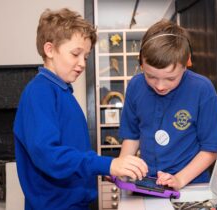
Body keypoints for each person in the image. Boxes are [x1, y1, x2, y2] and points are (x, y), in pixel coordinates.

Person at [13, 8, 147, 210]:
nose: (82, 63)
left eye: (85, 57)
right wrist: (107, 164)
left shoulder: (63, 92)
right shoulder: (39, 93)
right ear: (49, 50)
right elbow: (49, 155)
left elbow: (75, 152)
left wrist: (106, 170)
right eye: (76, 54)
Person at [119, 19, 217, 190]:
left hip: (191, 184)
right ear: (141, 63)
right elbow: (132, 136)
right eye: (151, 76)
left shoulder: (202, 89)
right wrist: (122, 170)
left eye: (170, 78)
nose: (160, 86)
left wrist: (179, 179)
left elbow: (210, 149)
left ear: (186, 65)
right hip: (147, 183)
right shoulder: (135, 86)